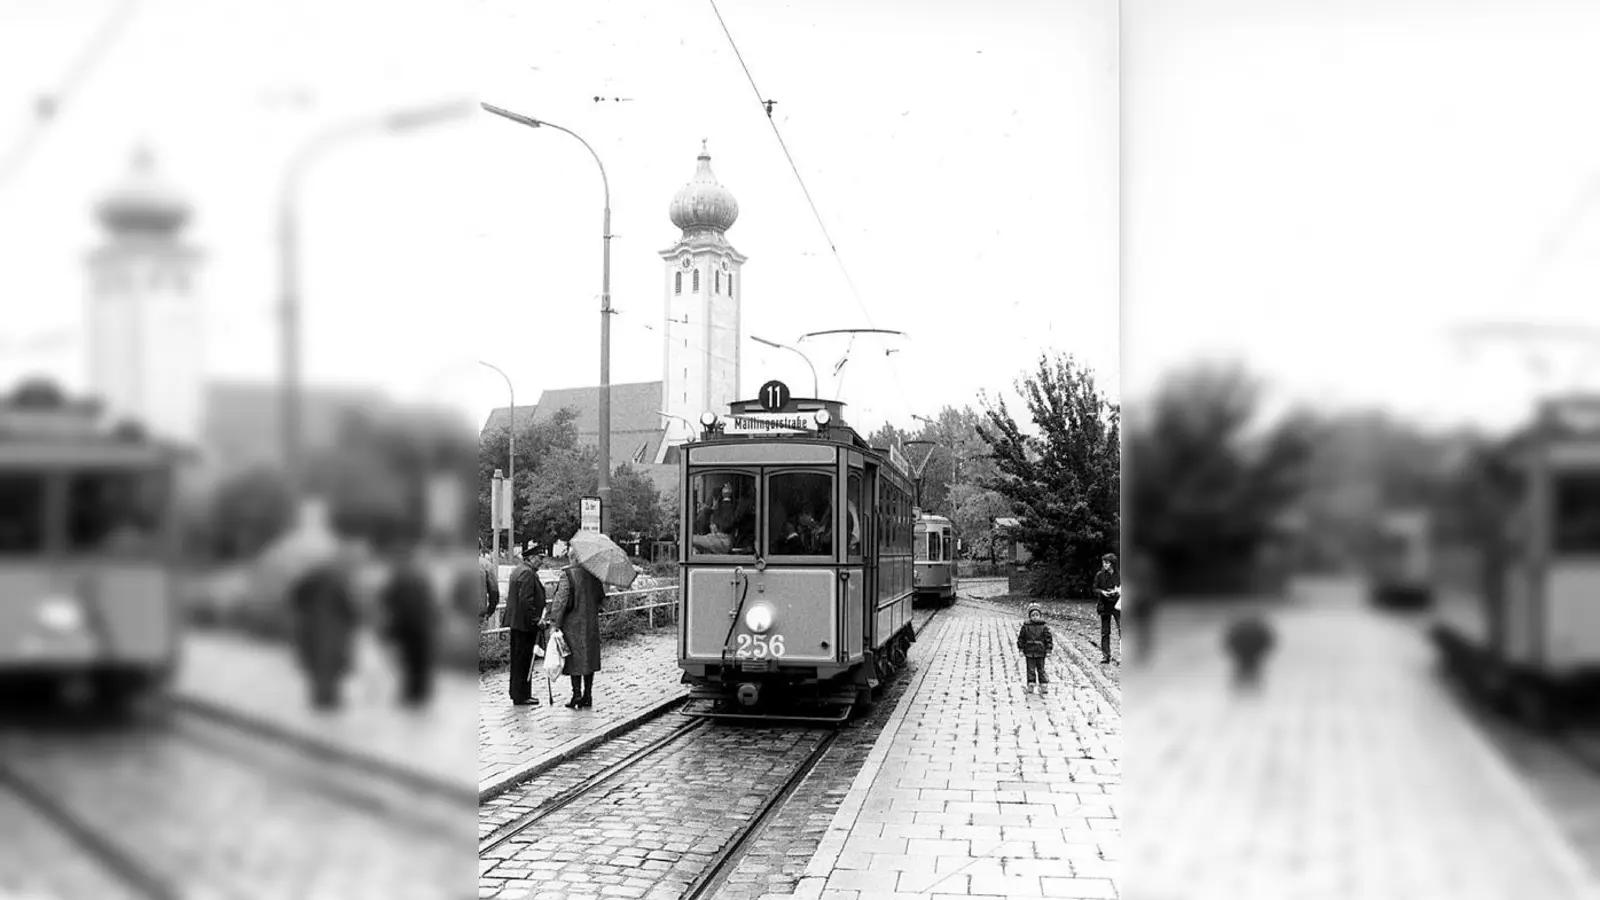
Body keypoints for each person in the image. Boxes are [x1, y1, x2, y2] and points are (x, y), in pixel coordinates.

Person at [288, 558, 358, 711]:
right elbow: (350, 613)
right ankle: (327, 701)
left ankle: (322, 700)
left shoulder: (309, 585)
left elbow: (295, 602)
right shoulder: (337, 585)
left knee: (320, 667)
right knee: (328, 667)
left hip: (316, 632)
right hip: (330, 633)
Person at [545, 539, 604, 709]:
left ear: (572, 558)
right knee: (589, 659)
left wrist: (554, 623)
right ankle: (588, 695)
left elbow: (560, 601)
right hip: (590, 624)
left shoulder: (567, 574)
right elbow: (600, 598)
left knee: (575, 660)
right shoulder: (594, 575)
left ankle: (576, 694)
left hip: (572, 625)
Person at [377, 542, 438, 708]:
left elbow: (387, 600)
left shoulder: (399, 578)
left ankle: (412, 692)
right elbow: (430, 602)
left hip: (406, 625)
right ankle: (419, 692)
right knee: (418, 660)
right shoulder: (419, 578)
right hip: (418, 625)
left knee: (409, 660)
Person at [505, 543, 547, 706]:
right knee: (523, 660)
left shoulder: (519, 570)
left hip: (519, 622)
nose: (541, 562)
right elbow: (526, 600)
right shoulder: (528, 573)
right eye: (539, 558)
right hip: (524, 624)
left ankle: (518, 693)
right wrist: (537, 620)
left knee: (518, 659)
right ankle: (522, 694)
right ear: (530, 558)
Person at [1017, 602, 1055, 694]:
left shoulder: (1044, 627)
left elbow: (1048, 639)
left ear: (1040, 615)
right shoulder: (1025, 627)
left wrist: (1048, 650)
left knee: (1041, 669)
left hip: (1040, 652)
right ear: (1030, 616)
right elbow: (1021, 639)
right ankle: (1031, 684)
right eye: (1033, 615)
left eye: (1037, 615)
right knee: (1030, 669)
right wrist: (1021, 649)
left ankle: (1044, 685)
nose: (1035, 617)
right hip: (1029, 651)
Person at [1093, 552, 1121, 664]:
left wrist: (1117, 591)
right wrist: (1102, 592)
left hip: (1117, 605)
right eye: (1104, 562)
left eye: (1107, 562)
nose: (1105, 564)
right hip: (1104, 605)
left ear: (1112, 563)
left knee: (1122, 629)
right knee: (1105, 632)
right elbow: (1095, 588)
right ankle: (1106, 655)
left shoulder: (1119, 575)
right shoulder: (1099, 575)